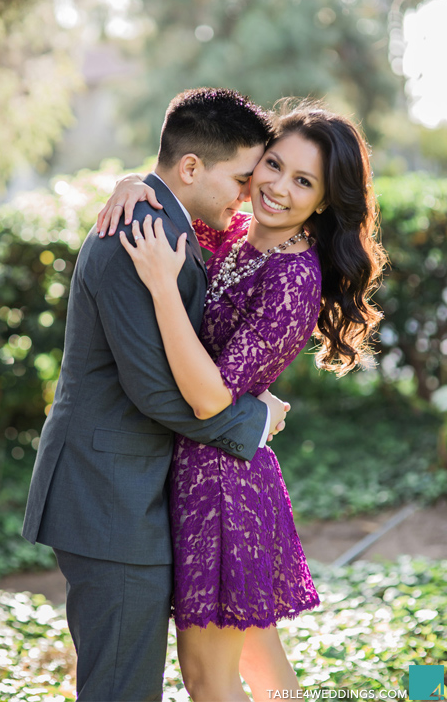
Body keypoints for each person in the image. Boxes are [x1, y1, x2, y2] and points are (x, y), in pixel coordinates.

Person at [97, 99, 385, 700]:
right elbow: (183, 179)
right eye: (273, 165)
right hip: (200, 472)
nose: (277, 187)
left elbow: (209, 398)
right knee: (263, 663)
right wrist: (132, 183)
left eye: (303, 182)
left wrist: (161, 288)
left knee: (209, 678)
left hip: (222, 487)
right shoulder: (230, 232)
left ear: (325, 201)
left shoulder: (293, 278)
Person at [22, 88, 290, 701]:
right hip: (107, 496)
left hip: (127, 491)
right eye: (242, 179)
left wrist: (132, 179)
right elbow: (155, 392)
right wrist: (252, 418)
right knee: (121, 687)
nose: (248, 195)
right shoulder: (136, 235)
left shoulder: (166, 221)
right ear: (191, 168)